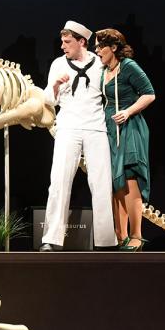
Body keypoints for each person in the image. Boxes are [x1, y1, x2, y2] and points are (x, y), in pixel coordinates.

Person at [40, 21, 117, 252]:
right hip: (68, 128)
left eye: (67, 42)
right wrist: (54, 84)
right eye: (62, 42)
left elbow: (110, 92)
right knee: (59, 183)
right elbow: (48, 101)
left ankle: (105, 241)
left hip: (95, 128)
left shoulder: (99, 64)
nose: (63, 46)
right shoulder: (58, 64)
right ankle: (51, 239)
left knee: (101, 184)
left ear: (81, 42)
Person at [95, 28, 155, 251]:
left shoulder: (129, 66)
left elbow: (149, 93)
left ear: (113, 47)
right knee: (114, 182)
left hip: (130, 126)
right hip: (110, 128)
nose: (97, 50)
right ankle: (120, 237)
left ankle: (136, 235)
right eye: (96, 46)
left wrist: (128, 112)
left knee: (129, 177)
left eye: (101, 46)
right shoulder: (102, 71)